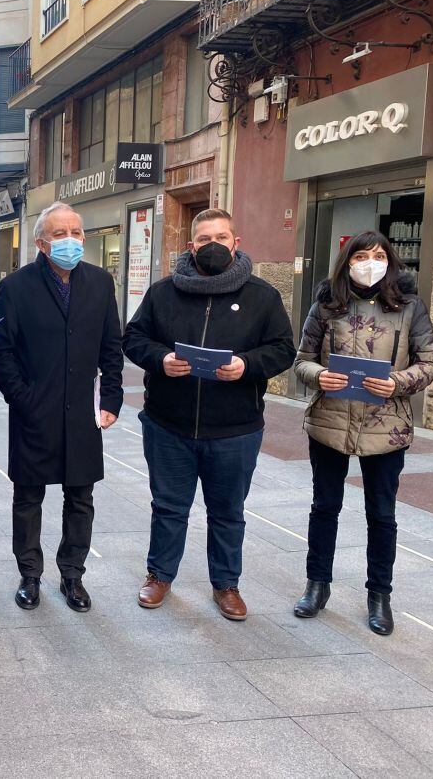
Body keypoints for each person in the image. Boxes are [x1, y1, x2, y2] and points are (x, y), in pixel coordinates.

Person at [123, 208, 295, 620]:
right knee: (168, 507)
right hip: (169, 424)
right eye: (204, 239)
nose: (213, 245)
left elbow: (283, 349)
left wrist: (246, 366)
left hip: (235, 429)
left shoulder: (262, 296)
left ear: (237, 243)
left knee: (228, 512)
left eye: (221, 237)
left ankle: (226, 584)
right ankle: (159, 575)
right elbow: (132, 337)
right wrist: (161, 359)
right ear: (191, 246)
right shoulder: (164, 292)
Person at [292, 231, 433, 635]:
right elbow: (301, 360)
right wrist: (321, 375)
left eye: (378, 255)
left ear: (389, 260)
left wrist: (399, 382)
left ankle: (379, 595)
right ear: (347, 260)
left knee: (382, 513)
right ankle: (317, 586)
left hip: (385, 426)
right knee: (325, 508)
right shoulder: (326, 304)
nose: (369, 262)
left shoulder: (410, 307)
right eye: (361, 255)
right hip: (330, 421)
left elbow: (429, 362)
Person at [0, 202, 123, 612]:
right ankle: (30, 575)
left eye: (77, 233)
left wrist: (112, 398)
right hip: (34, 411)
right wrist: (22, 397)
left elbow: (111, 346)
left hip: (82, 412)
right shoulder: (17, 287)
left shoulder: (100, 283)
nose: (71, 241)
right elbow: (2, 351)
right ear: (41, 243)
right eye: (60, 234)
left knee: (80, 498)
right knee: (28, 498)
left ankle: (72, 575)